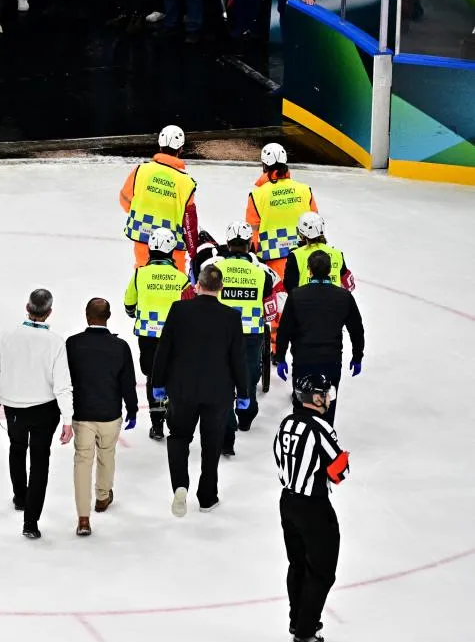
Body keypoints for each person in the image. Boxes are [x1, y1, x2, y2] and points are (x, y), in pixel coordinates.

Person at [151, 264, 249, 516]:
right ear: (221, 289)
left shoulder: (179, 309)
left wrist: (158, 383)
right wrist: (245, 392)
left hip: (182, 389)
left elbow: (164, 350)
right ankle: (207, 496)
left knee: (179, 436)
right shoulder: (231, 317)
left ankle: (180, 486)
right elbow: (238, 359)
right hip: (218, 392)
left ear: (197, 285)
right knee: (212, 442)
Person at [0, 289, 71, 539]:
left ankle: (20, 496)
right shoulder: (56, 342)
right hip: (45, 410)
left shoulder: (7, 336)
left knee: (17, 447)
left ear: (27, 307)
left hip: (14, 408)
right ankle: (31, 521)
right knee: (40, 460)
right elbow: (62, 386)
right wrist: (68, 419)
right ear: (49, 312)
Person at [274, 373, 349, 642]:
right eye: (324, 393)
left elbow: (279, 458)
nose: (327, 397)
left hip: (287, 502)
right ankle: (305, 634)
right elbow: (339, 472)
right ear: (315, 398)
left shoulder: (287, 422)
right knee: (321, 571)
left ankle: (298, 623)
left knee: (298, 565)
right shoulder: (321, 428)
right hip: (313, 507)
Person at [198, 221, 276, 456]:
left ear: (228, 244)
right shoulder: (261, 271)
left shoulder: (215, 267)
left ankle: (228, 420)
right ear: (250, 244)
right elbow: (267, 298)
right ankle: (246, 413)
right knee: (249, 373)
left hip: (220, 329)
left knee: (222, 376)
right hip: (250, 330)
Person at [65, 298, 138, 537]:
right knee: (107, 455)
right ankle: (103, 496)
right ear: (108, 317)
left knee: (82, 461)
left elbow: (65, 381)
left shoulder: (73, 344)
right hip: (110, 413)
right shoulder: (120, 347)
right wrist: (133, 408)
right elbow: (127, 382)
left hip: (83, 413)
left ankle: (83, 518)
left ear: (87, 317)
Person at [273, 251, 364, 423]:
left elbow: (285, 329)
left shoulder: (297, 295)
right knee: (327, 406)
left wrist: (280, 357)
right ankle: (325, 440)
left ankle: (302, 439)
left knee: (301, 405)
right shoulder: (344, 296)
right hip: (331, 361)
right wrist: (357, 356)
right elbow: (357, 329)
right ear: (330, 270)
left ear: (309, 270)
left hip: (303, 360)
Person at [246, 142, 317, 352]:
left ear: (264, 166)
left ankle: (277, 349)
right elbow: (315, 222)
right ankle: (305, 344)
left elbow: (253, 232)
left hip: (273, 259)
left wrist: (257, 256)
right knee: (305, 301)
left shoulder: (258, 195)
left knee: (278, 305)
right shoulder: (304, 191)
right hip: (304, 256)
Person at [123, 226, 188, 440]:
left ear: (150, 249)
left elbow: (129, 305)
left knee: (153, 376)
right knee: (174, 374)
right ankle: (172, 417)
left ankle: (157, 424)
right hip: (175, 337)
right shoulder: (181, 278)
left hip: (148, 336)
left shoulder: (140, 274)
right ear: (171, 251)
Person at [118, 124, 199, 273]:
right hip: (174, 246)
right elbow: (189, 221)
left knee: (143, 280)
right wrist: (193, 250)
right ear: (180, 149)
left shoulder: (140, 171)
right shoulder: (186, 183)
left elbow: (124, 200)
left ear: (160, 145)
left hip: (143, 238)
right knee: (175, 284)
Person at [283, 211, 354, 293]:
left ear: (301, 233)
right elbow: (347, 285)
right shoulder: (337, 254)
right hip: (334, 302)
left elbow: (289, 287)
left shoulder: (295, 255)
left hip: (304, 303)